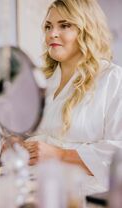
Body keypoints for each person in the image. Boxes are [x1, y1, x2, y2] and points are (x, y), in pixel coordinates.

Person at [23, 0, 122, 194]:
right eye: (48, 27)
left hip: (85, 195)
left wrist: (59, 155)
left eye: (65, 25)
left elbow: (119, 153)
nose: (52, 34)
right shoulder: (40, 81)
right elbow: (22, 132)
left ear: (87, 29)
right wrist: (16, 143)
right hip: (32, 190)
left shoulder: (112, 78)